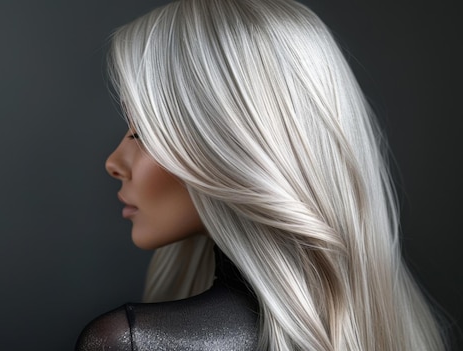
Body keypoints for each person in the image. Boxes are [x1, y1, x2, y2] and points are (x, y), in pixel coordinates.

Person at [76, 0, 447, 349]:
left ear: (231, 145)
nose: (113, 162)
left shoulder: (129, 341)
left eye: (143, 132)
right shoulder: (395, 331)